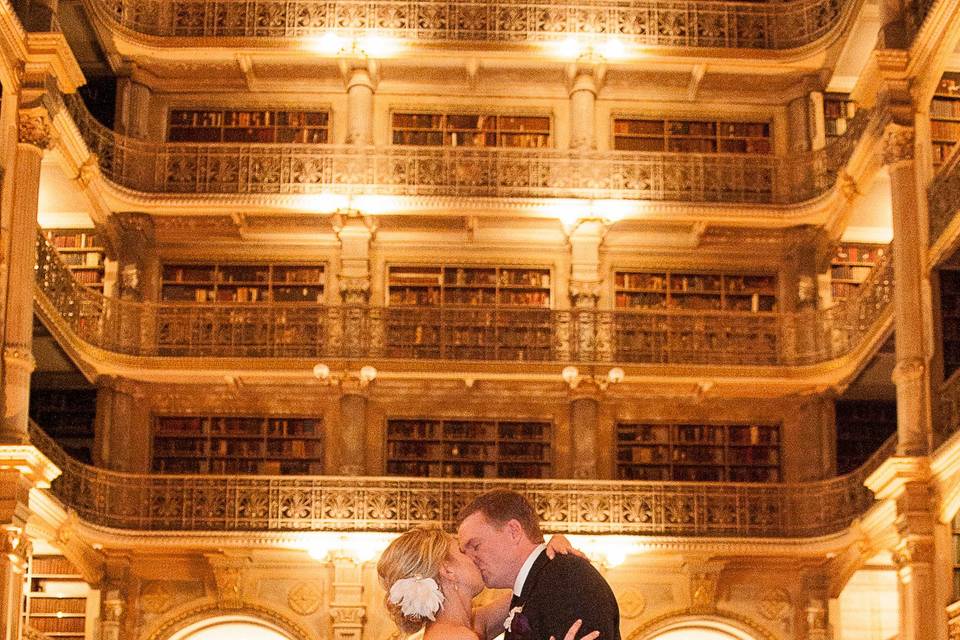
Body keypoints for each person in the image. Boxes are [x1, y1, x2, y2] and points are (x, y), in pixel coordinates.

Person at [377, 525, 599, 640]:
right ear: (447, 570)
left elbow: (530, 582)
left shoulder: (470, 623)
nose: (474, 557)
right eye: (463, 552)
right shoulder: (454, 637)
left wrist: (549, 549)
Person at [457, 490, 620, 640]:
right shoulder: (535, 585)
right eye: (465, 552)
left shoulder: (565, 578)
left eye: (476, 546)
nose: (470, 559)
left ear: (514, 531)